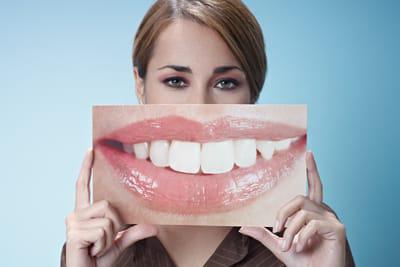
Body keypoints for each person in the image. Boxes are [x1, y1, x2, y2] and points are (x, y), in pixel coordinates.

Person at [61, 0, 355, 266]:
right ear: (140, 85)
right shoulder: (95, 248)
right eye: (176, 80)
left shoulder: (309, 240)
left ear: (253, 92)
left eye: (226, 83)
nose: (200, 108)